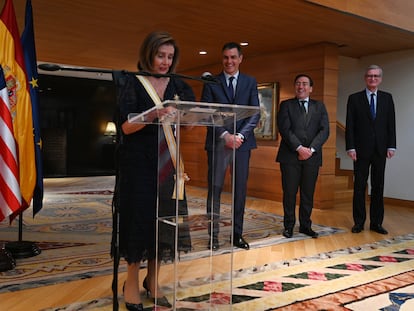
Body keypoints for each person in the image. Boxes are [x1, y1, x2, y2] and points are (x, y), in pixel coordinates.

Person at [114, 31, 195, 311]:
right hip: (138, 166)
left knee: (164, 226)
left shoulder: (179, 85)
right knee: (138, 223)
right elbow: (125, 127)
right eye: (161, 55)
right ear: (149, 53)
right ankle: (132, 283)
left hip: (168, 167)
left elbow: (190, 124)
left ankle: (154, 281)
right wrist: (152, 115)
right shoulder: (133, 84)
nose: (165, 61)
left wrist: (182, 115)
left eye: (170, 57)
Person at [202, 42, 260, 251]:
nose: (229, 61)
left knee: (239, 191)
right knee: (215, 190)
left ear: (240, 58)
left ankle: (237, 235)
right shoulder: (211, 82)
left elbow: (255, 112)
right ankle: (213, 237)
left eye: (233, 57)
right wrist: (225, 135)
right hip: (218, 144)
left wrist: (240, 136)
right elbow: (208, 113)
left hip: (242, 146)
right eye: (226, 57)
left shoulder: (250, 82)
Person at [276, 74, 329, 239]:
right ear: (295, 87)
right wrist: (299, 148)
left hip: (312, 158)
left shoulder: (319, 107)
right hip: (290, 157)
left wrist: (310, 150)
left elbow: (325, 130)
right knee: (290, 193)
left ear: (311, 88)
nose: (301, 87)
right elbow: (285, 129)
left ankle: (306, 225)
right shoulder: (286, 105)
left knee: (308, 193)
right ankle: (289, 226)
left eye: (305, 84)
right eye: (298, 83)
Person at [345, 64, 396, 235]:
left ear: (380, 79)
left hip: (381, 149)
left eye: (375, 76)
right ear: (365, 78)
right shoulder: (354, 99)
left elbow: (391, 124)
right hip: (359, 150)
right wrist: (350, 147)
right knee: (359, 186)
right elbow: (350, 125)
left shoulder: (387, 98)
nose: (372, 78)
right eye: (369, 76)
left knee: (378, 186)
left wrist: (391, 145)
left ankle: (376, 223)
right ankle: (359, 222)